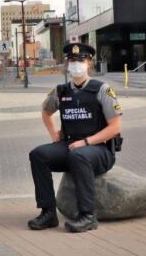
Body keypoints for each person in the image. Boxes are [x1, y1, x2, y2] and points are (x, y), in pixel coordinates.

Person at [27, 43, 122, 233]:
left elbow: (115, 127)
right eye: (72, 61)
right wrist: (54, 134)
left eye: (81, 60)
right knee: (38, 154)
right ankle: (48, 213)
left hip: (100, 149)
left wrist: (86, 142)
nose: (76, 64)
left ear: (89, 63)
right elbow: (46, 112)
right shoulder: (61, 91)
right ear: (67, 64)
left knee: (79, 155)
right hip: (71, 146)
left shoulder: (102, 90)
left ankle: (87, 216)